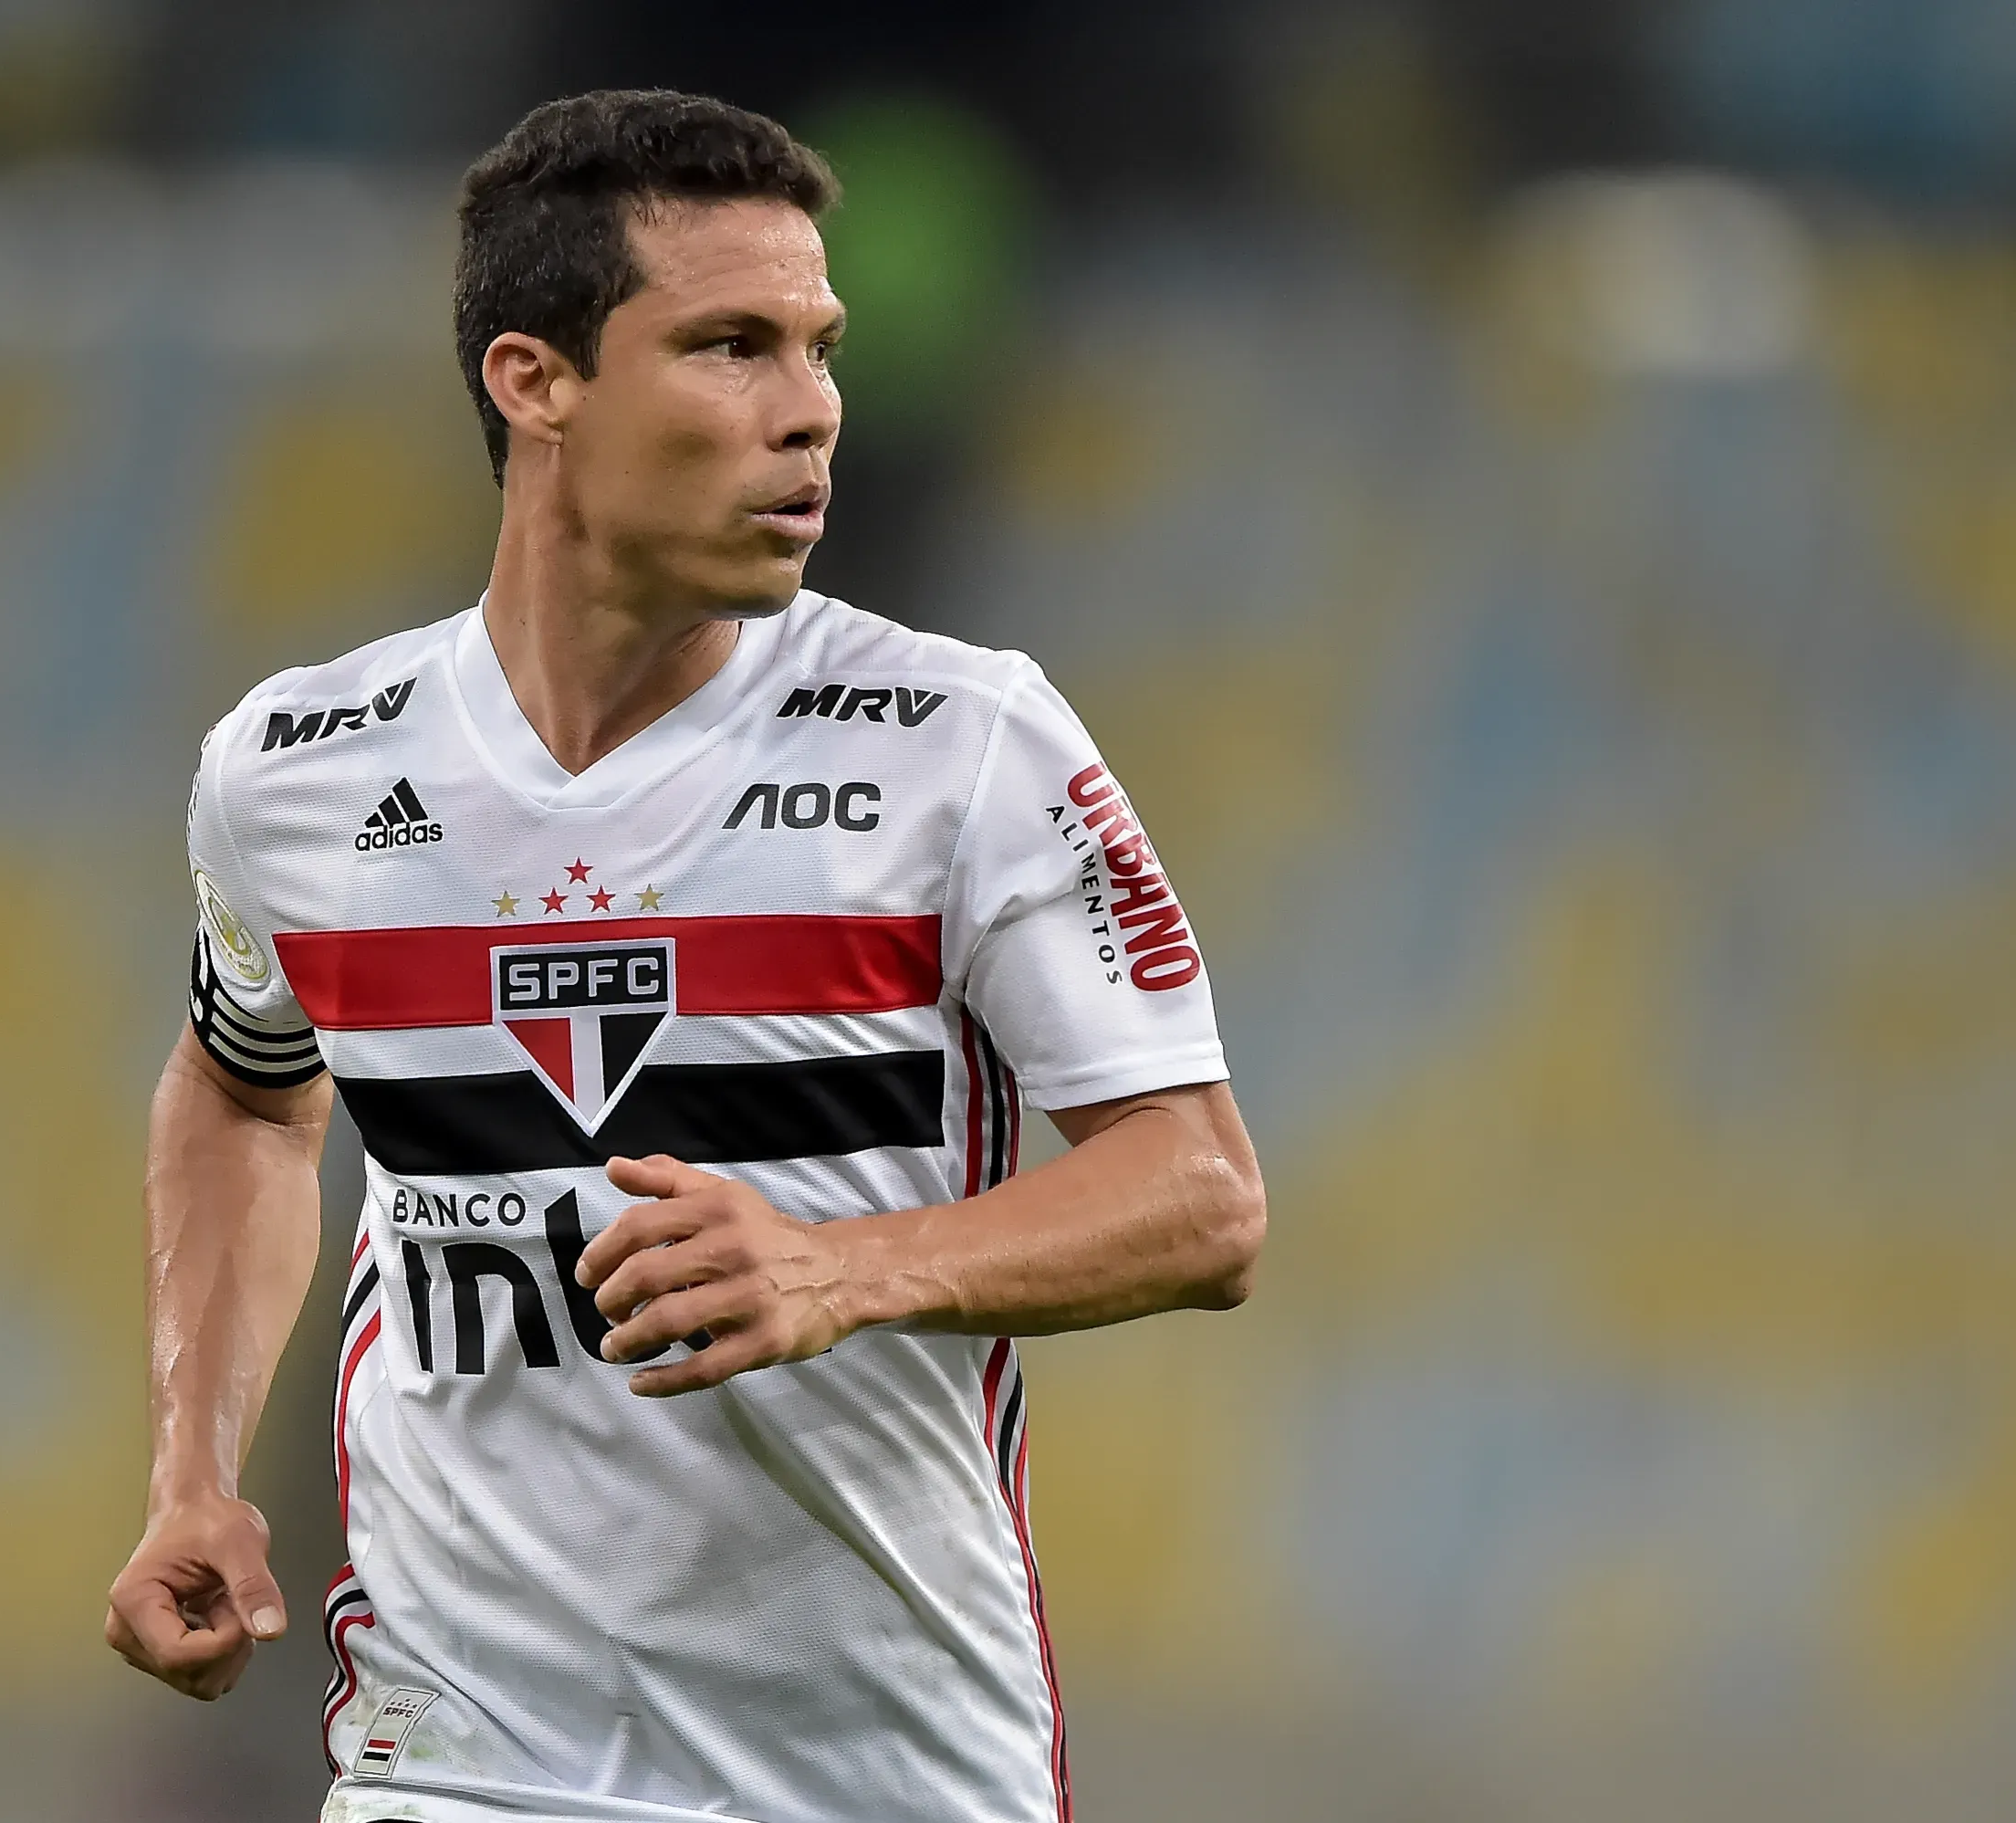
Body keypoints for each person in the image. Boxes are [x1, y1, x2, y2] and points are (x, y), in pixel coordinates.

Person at [103, 89, 1263, 1823]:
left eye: (822, 348)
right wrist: (193, 1469)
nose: (811, 414)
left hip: (878, 1773)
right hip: (461, 1762)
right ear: (536, 381)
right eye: (730, 347)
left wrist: (839, 1270)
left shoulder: (962, 743)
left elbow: (1201, 1199)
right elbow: (245, 1095)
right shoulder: (296, 771)